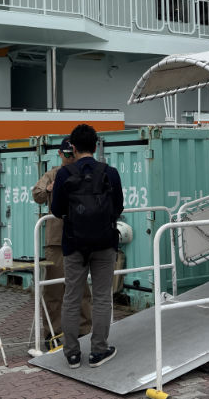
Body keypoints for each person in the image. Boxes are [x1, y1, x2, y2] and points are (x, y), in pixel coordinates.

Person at [50, 123, 123, 369]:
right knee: (102, 297)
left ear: (72, 146)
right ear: (95, 145)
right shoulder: (110, 173)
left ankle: (72, 354)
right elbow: (118, 208)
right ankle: (98, 351)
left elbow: (57, 211)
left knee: (71, 297)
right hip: (105, 243)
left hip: (74, 245)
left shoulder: (63, 174)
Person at [31, 137, 91, 347]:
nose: (70, 157)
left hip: (80, 237)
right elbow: (36, 194)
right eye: (66, 154)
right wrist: (49, 189)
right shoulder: (53, 173)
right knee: (54, 289)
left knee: (82, 287)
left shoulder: (85, 171)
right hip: (56, 239)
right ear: (59, 153)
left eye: (72, 154)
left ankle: (85, 330)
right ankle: (53, 333)